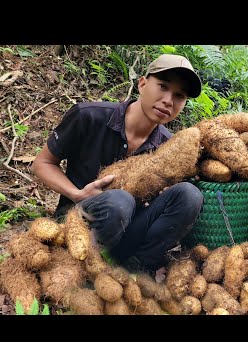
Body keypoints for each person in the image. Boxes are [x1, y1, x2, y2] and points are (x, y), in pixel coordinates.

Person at [32, 54, 204, 274]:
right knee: (119, 200)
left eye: (179, 96)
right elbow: (42, 163)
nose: (168, 100)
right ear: (142, 84)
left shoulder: (169, 147)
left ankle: (135, 269)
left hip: (128, 235)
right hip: (77, 225)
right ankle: (86, 267)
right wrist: (76, 194)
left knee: (189, 195)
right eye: (162, 86)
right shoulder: (88, 116)